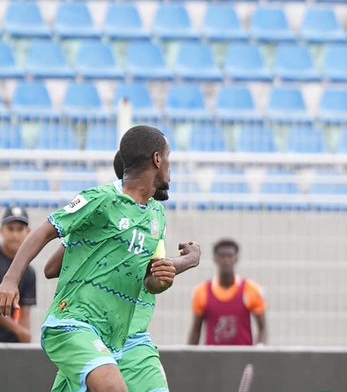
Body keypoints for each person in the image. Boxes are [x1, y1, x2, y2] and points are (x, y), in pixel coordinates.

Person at [0, 125, 175, 392]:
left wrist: (164, 278)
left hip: (115, 337)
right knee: (114, 388)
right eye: (169, 156)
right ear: (157, 159)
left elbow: (147, 278)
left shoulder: (156, 216)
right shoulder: (100, 199)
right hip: (73, 323)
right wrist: (11, 279)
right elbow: (45, 231)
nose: (171, 165)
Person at [44, 151, 201, 392]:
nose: (168, 173)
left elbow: (152, 273)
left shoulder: (155, 217)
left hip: (132, 336)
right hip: (92, 325)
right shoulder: (107, 211)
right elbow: (51, 268)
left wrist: (182, 264)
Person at [188, 238, 267, 346]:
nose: (226, 260)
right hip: (213, 355)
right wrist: (189, 354)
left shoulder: (251, 290)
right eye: (222, 256)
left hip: (243, 355)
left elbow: (263, 329)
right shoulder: (202, 292)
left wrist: (260, 348)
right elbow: (195, 332)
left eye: (230, 256)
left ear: (236, 258)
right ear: (215, 259)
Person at [0, 206, 36, 343]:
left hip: (10, 343)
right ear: (1, 231)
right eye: (10, 229)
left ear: (28, 232)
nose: (15, 235)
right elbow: (20, 329)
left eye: (19, 229)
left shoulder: (29, 272)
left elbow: (25, 314)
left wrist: (24, 338)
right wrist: (18, 330)